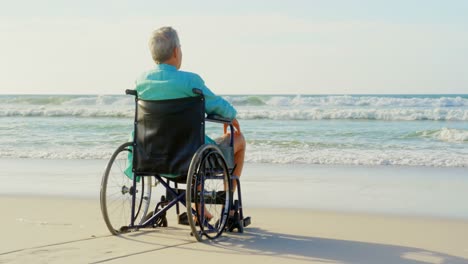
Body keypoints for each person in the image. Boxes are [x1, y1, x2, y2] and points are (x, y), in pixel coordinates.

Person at [135, 26, 246, 187]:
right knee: (238, 140)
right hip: (190, 159)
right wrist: (231, 117)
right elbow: (217, 105)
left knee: (192, 142)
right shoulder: (191, 82)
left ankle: (197, 204)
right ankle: (226, 200)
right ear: (175, 51)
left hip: (151, 157)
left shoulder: (142, 81)